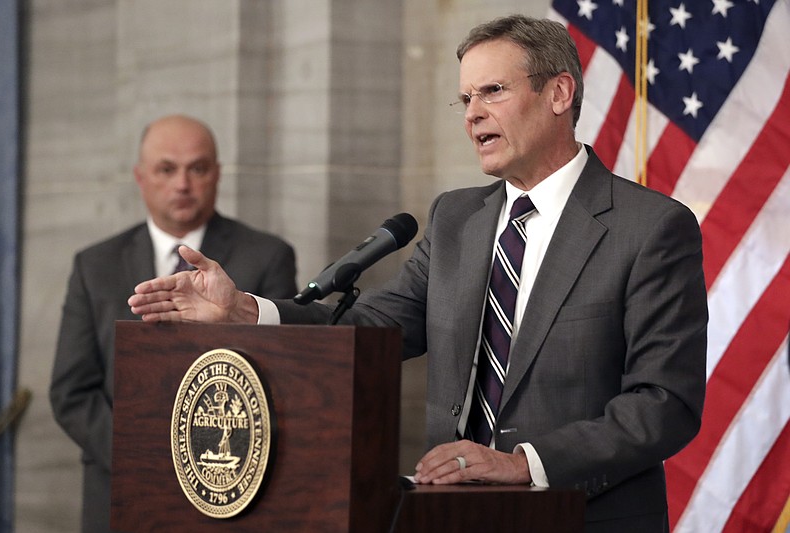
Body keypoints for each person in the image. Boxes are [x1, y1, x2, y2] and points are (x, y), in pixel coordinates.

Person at [127, 16, 707, 532]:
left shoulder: (650, 228)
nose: (473, 113)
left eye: (493, 92)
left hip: (582, 517)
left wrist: (522, 463)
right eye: (465, 99)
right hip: (446, 514)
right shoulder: (457, 218)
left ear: (559, 93)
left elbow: (665, 402)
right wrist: (246, 312)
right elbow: (379, 325)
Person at [50, 114, 297, 532]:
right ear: (140, 177)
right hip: (120, 489)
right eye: (167, 169)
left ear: (217, 175)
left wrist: (204, 461)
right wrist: (147, 456)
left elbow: (282, 383)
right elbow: (71, 392)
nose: (182, 184)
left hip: (232, 491)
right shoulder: (95, 265)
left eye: (197, 169)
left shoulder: (267, 256)